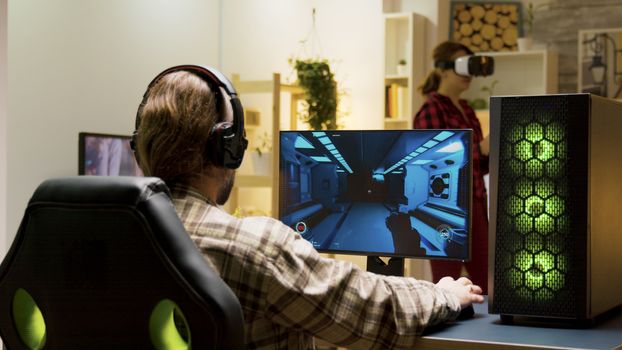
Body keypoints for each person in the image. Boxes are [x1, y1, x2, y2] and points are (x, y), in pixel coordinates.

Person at [133, 65, 484, 349]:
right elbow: (368, 311)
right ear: (228, 149)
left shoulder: (107, 237)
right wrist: (443, 295)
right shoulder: (255, 247)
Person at [413, 41, 490, 294]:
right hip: (444, 209)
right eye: (461, 65)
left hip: (475, 204)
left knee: (484, 279)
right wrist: (481, 148)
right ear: (443, 69)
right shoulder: (431, 110)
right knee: (447, 282)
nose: (468, 74)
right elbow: (432, 163)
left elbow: (479, 166)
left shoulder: (467, 109)